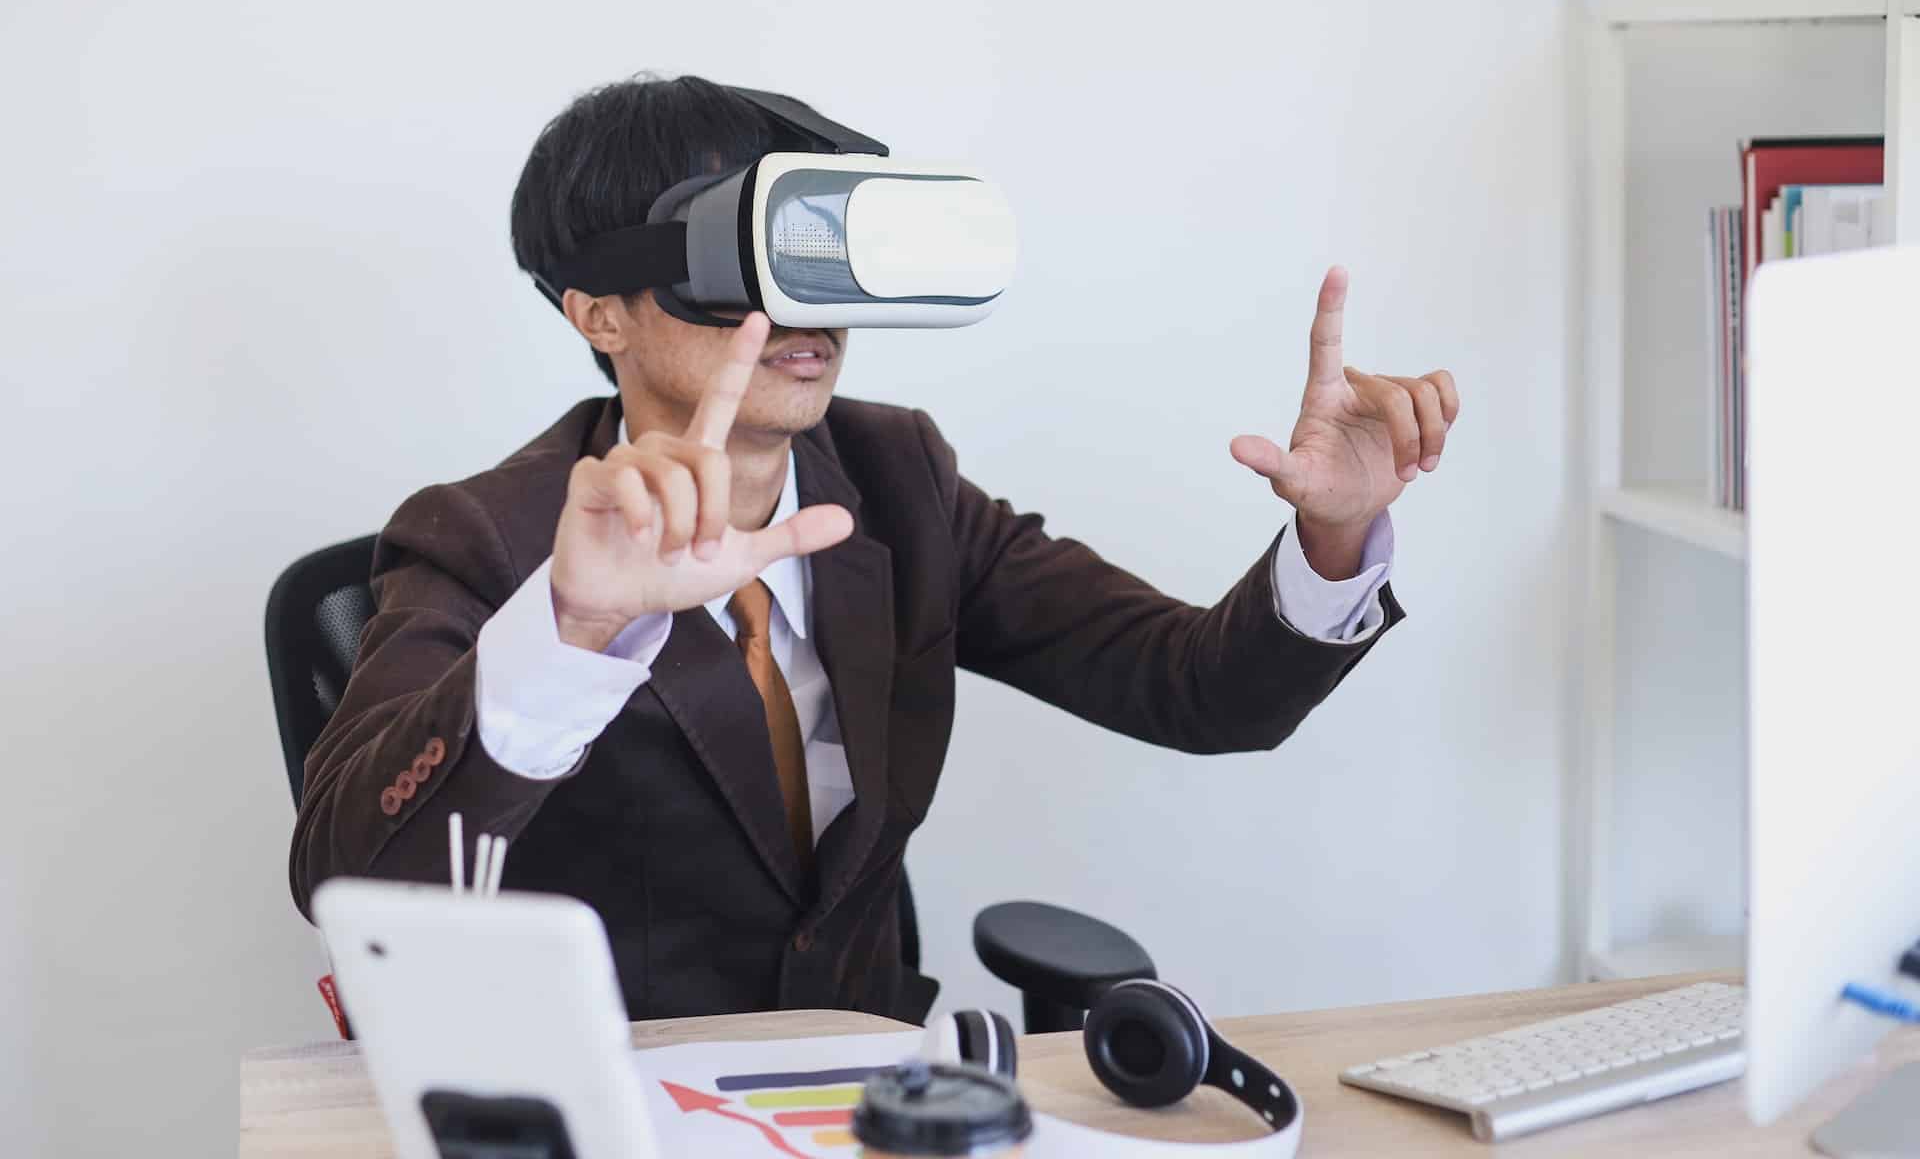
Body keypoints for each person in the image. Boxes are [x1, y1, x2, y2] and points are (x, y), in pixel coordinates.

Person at [289, 75, 1459, 1022]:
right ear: (599, 311)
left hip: (866, 1078)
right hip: (611, 1094)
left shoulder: (900, 481)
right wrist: (571, 628)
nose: (799, 312)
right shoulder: (489, 534)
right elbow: (345, 875)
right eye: (737, 264)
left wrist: (1336, 528)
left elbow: (1200, 690)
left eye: (814, 251)